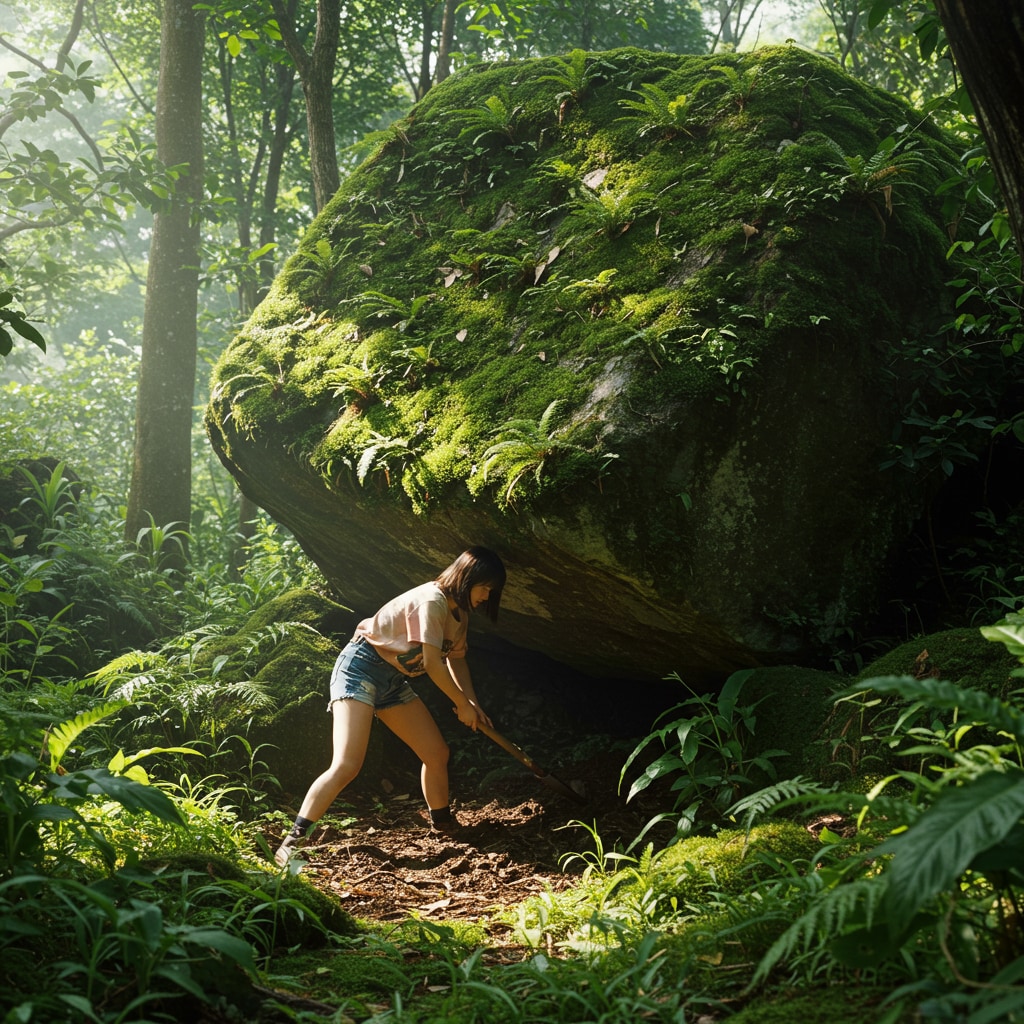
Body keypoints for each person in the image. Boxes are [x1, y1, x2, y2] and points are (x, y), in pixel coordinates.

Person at [274, 546, 506, 866]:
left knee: (436, 754)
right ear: (469, 578)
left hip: (392, 680)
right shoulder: (432, 601)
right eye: (486, 588)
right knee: (347, 764)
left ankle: (443, 825)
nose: (486, 596)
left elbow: (457, 661)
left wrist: (471, 704)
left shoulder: (459, 615)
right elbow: (433, 665)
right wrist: (459, 704)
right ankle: (292, 842)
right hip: (360, 668)